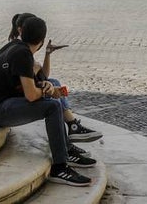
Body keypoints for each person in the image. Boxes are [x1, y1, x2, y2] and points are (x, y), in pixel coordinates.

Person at [0, 15, 94, 187]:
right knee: (52, 105)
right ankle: (59, 167)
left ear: (21, 32)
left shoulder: (14, 47)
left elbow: (23, 85)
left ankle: (66, 150)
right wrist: (49, 92)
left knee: (52, 96)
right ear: (42, 40)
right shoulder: (23, 54)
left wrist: (43, 85)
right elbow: (30, 95)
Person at [5, 13, 102, 144]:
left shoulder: (25, 47)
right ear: (21, 30)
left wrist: (47, 54)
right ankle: (72, 126)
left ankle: (72, 124)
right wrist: (47, 88)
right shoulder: (20, 49)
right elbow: (32, 82)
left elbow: (43, 76)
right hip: (15, 95)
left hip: (22, 90)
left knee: (56, 85)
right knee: (55, 98)